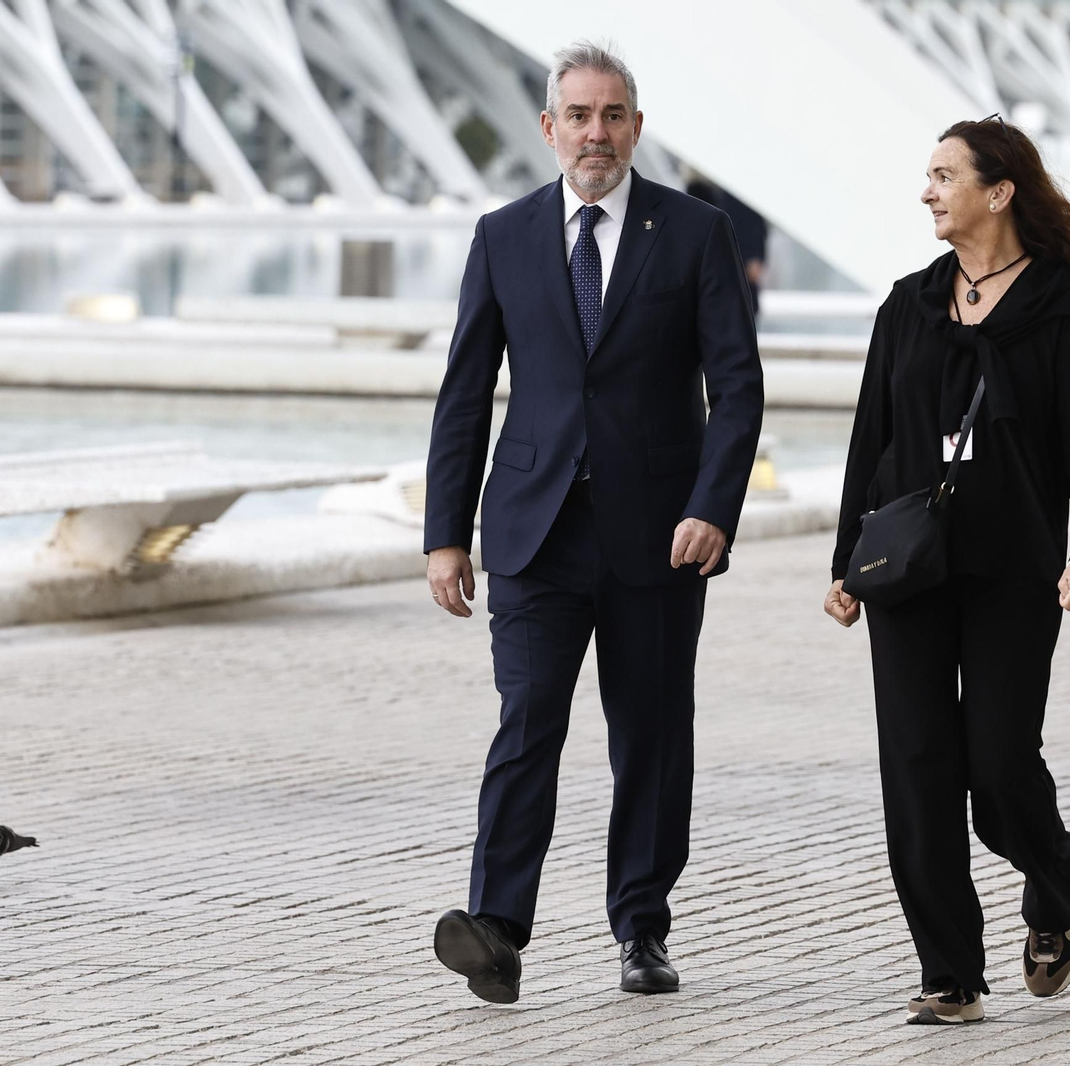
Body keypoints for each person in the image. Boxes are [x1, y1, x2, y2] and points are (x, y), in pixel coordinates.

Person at [424, 40, 764, 1004]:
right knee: (526, 723)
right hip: (532, 531)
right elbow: (463, 392)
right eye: (579, 115)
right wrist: (444, 530)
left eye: (613, 115)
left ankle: (642, 930)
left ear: (636, 127)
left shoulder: (695, 232)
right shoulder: (503, 235)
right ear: (549, 127)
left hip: (661, 536)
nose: (596, 132)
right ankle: (496, 928)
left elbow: (736, 388)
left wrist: (713, 508)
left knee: (650, 735)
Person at [823, 115, 1070, 1025]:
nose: (928, 191)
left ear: (999, 193)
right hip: (907, 566)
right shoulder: (907, 305)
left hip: (1012, 567)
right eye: (928, 175)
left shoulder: (1065, 314)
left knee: (995, 767)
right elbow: (870, 440)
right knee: (915, 768)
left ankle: (1051, 868)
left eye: (944, 175)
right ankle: (948, 971)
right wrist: (846, 560)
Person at [686, 172, 770, 315]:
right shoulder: (699, 189)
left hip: (739, 263)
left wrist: (755, 255)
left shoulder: (742, 190)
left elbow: (755, 224)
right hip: (714, 266)